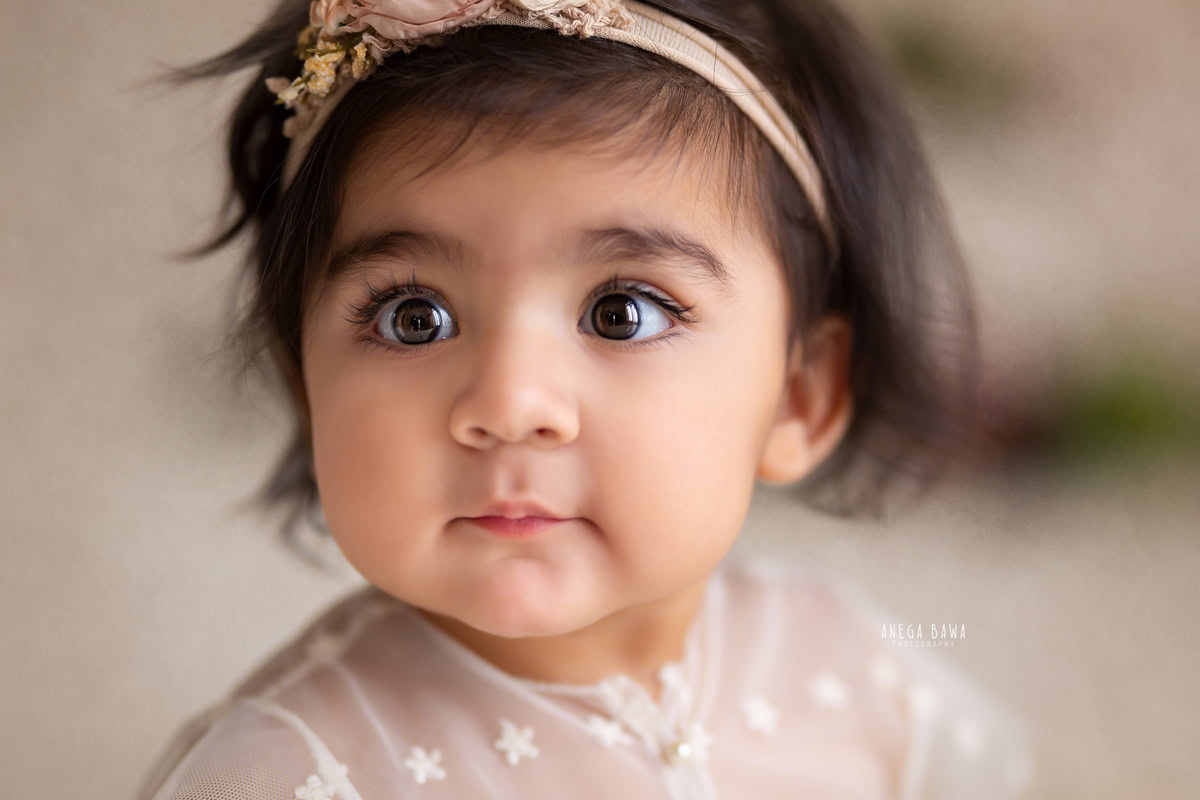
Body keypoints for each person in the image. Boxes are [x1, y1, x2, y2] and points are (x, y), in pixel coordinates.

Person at [139, 0, 1034, 797]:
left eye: (621, 313)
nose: (512, 403)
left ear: (798, 397)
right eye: (415, 318)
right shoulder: (284, 773)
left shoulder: (853, 671)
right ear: (306, 380)